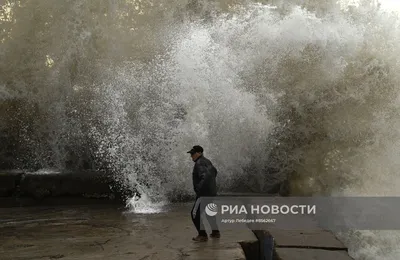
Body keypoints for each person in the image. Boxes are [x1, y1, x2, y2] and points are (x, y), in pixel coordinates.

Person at [187, 145, 220, 242]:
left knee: (194, 214)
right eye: (191, 154)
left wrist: (199, 190)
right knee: (209, 212)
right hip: (210, 192)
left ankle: (202, 235)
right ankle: (215, 232)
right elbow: (214, 172)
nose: (191, 156)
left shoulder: (199, 163)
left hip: (204, 193)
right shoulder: (207, 161)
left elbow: (205, 176)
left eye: (193, 153)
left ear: (199, 153)